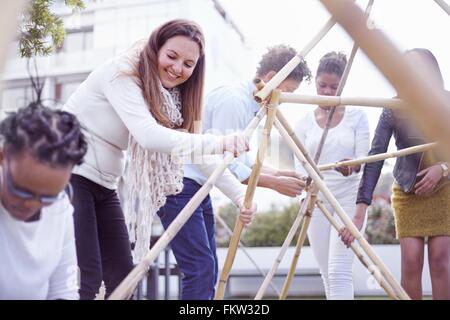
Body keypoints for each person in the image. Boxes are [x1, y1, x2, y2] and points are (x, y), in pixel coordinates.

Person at [62, 19, 252, 299]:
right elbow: (149, 136)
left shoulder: (169, 98)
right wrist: (221, 141)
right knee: (86, 277)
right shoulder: (123, 73)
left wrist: (239, 195)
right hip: (70, 172)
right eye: (172, 56)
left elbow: (191, 151)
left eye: (188, 64)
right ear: (155, 48)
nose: (178, 69)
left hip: (105, 183)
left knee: (123, 279)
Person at [158, 44, 310, 300]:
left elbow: (244, 160)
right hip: (179, 186)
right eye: (287, 91)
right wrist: (274, 184)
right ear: (272, 79)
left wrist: (282, 175)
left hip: (198, 185)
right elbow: (225, 164)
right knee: (200, 268)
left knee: (209, 267)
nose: (284, 99)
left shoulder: (250, 106)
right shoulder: (234, 102)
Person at [341, 48, 450, 300]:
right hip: (407, 190)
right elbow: (375, 157)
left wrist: (442, 168)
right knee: (411, 262)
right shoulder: (394, 106)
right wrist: (360, 212)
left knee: (441, 261)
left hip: (444, 189)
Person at [293, 51, 370, 299]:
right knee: (326, 272)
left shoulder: (358, 116)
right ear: (315, 81)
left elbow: (365, 161)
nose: (326, 92)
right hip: (318, 201)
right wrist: (303, 196)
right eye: (322, 85)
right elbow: (299, 169)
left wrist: (352, 164)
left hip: (349, 198)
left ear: (344, 86)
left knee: (339, 271)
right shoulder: (303, 123)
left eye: (334, 87)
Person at [0, 102, 87, 299]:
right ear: (2, 157)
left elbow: (66, 288)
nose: (33, 205)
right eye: (22, 192)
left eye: (48, 197)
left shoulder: (62, 208)